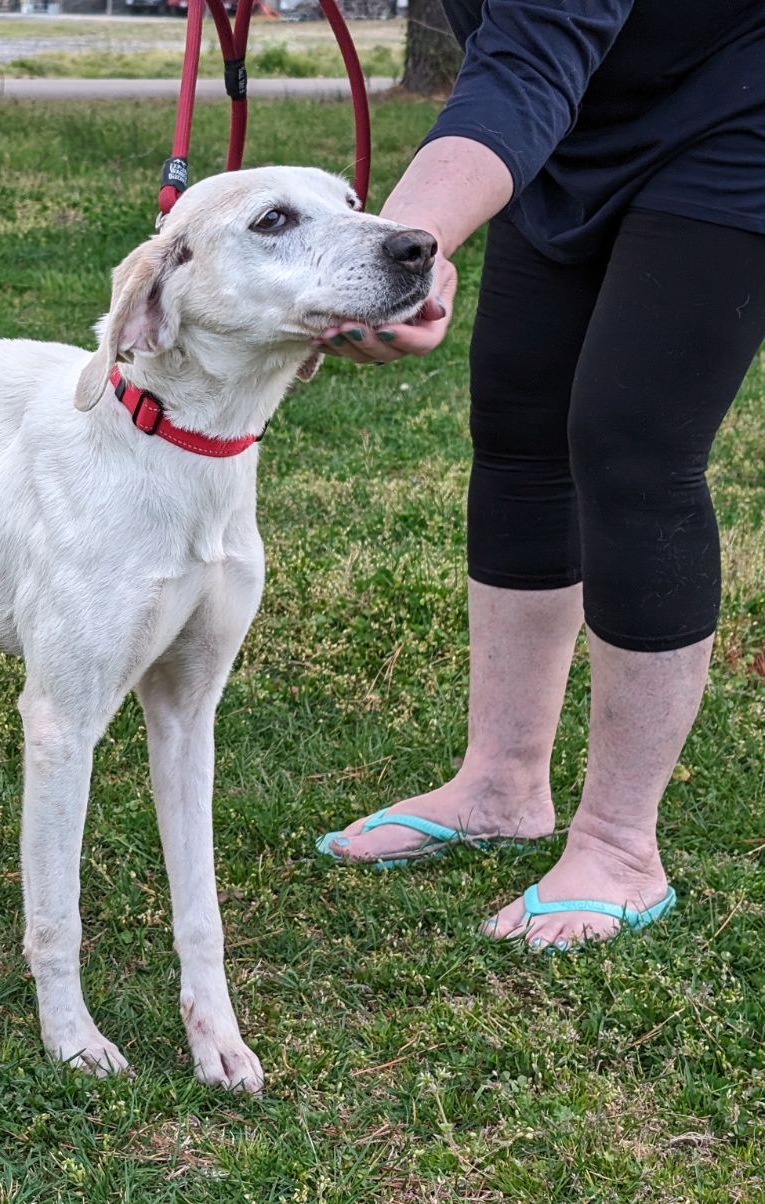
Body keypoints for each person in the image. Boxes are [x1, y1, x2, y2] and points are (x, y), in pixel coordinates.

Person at [312, 0, 765, 949]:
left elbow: (525, 59)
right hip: (573, 118)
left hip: (739, 99)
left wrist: (401, 250)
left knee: (631, 437)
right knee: (518, 423)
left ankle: (618, 847)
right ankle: (502, 783)